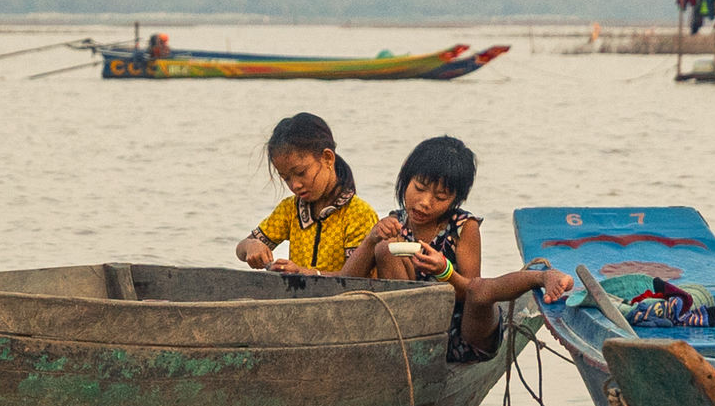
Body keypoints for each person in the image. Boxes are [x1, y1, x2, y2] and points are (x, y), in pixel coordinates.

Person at [340, 135, 574, 363]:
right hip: (414, 334)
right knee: (384, 249)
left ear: (455, 200)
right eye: (419, 188)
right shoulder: (395, 223)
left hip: (466, 334)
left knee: (480, 288)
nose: (425, 202)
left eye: (440, 197)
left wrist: (445, 271)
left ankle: (542, 276)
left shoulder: (463, 227)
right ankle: (413, 350)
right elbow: (344, 283)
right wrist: (371, 240)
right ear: (405, 177)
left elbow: (472, 295)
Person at [235, 113, 378, 275]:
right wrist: (251, 246)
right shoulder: (290, 209)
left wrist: (308, 274)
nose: (295, 185)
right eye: (286, 178)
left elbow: (357, 276)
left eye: (301, 173)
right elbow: (241, 248)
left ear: (327, 158)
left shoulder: (359, 214)